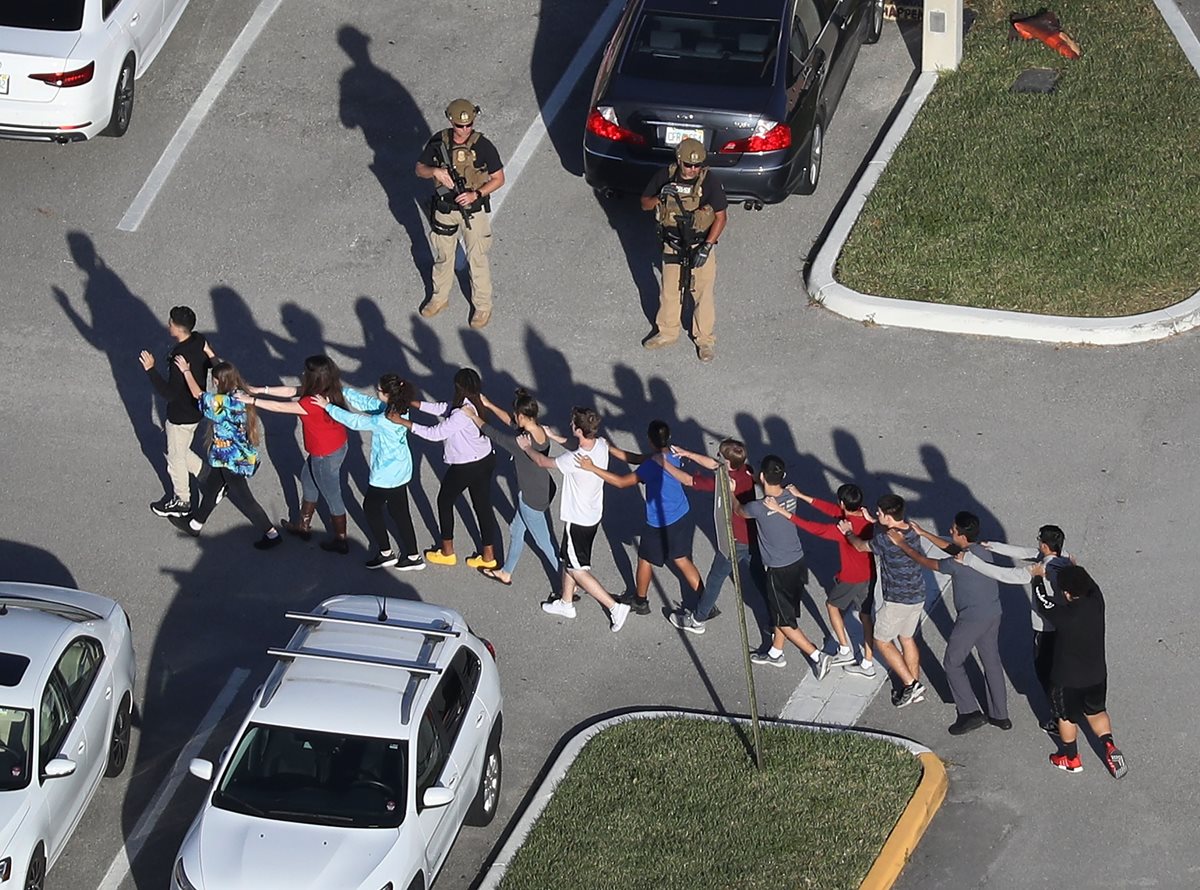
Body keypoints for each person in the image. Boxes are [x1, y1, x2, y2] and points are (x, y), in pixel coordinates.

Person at [889, 513, 1011, 734]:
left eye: (954, 530)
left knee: (952, 663)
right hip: (993, 612)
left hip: (971, 619)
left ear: (963, 536)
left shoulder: (956, 564)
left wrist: (902, 544)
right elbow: (953, 548)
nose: (950, 530)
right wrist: (924, 533)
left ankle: (969, 712)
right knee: (991, 661)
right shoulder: (981, 551)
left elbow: (925, 561)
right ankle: (1000, 715)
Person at [520, 407, 630, 632]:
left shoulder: (574, 459)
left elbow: (542, 461)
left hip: (577, 519)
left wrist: (527, 447)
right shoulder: (599, 444)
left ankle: (613, 606)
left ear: (579, 430)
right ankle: (566, 602)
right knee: (569, 561)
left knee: (578, 569)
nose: (570, 427)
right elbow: (575, 445)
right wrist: (554, 436)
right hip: (591, 515)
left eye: (572, 425)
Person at [957, 525, 1074, 736]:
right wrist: (994, 547)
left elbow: (1005, 574)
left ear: (1045, 545)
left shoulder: (1041, 571)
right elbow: (1026, 552)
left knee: (1046, 675)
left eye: (1039, 541)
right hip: (1065, 627)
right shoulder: (1064, 558)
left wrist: (971, 561)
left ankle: (1059, 719)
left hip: (1045, 631)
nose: (1037, 545)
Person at [578, 421, 701, 617]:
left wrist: (592, 468)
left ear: (650, 440)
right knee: (682, 559)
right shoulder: (673, 453)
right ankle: (705, 603)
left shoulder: (652, 465)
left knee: (645, 559)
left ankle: (640, 601)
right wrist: (609, 448)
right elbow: (636, 458)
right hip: (681, 514)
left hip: (659, 523)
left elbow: (621, 482)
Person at [763, 483, 877, 677]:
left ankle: (844, 650)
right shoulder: (865, 517)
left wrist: (780, 510)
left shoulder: (843, 528)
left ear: (842, 502)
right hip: (869, 574)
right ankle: (867, 663)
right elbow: (831, 510)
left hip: (851, 578)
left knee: (832, 606)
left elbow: (813, 528)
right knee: (866, 617)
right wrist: (801, 494)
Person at [167, 356, 282, 549]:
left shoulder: (222, 402)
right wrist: (210, 352)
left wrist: (186, 371)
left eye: (215, 379)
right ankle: (195, 524)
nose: (213, 382)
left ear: (219, 381)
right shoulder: (240, 395)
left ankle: (271, 533)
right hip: (237, 456)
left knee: (247, 500)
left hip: (229, 461)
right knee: (212, 488)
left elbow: (198, 395)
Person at [313, 374, 423, 571]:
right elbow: (369, 403)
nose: (376, 393)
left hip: (385, 475)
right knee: (401, 513)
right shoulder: (399, 409)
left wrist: (327, 407)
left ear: (388, 394)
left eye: (379, 390)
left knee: (371, 508)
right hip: (402, 469)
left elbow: (354, 421)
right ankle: (413, 555)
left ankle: (385, 552)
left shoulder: (383, 419)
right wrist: (344, 392)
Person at [735, 456, 831, 680]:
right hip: (797, 562)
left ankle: (816, 655)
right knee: (783, 612)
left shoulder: (758, 507)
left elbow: (739, 510)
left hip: (778, 569)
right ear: (783, 476)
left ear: (761, 477)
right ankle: (776, 652)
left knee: (783, 619)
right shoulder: (790, 495)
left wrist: (730, 492)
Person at [415, 98, 505, 329]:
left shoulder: (483, 146)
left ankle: (483, 306)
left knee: (477, 259)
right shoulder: (439, 141)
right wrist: (435, 170)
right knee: (444, 256)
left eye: (469, 125)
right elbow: (420, 169)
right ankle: (439, 298)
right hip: (445, 209)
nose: (465, 130)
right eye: (459, 125)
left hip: (473, 212)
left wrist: (477, 194)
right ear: (450, 121)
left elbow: (498, 178)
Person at [247, 356, 352, 554]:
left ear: (314, 377)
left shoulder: (311, 403)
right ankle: (303, 526)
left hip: (323, 454)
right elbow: (291, 391)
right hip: (335, 446)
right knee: (307, 479)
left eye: (306, 372)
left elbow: (280, 407)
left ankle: (341, 539)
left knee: (332, 495)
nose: (302, 373)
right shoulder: (327, 389)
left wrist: (251, 400)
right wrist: (260, 390)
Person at [396, 368, 497, 568]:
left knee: (444, 500)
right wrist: (414, 403)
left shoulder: (460, 413)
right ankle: (488, 556)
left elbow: (435, 433)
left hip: (466, 465)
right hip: (485, 459)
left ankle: (447, 551)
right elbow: (443, 408)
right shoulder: (472, 403)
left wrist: (404, 422)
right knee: (482, 506)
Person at [1034, 564, 1126, 778]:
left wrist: (1037, 578)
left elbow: (1043, 603)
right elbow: (1089, 582)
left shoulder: (1064, 616)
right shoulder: (1097, 601)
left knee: (1066, 717)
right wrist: (1073, 567)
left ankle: (1071, 757)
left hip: (1067, 680)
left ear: (1066, 593)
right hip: (1096, 675)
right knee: (1096, 711)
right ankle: (1108, 744)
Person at [640, 138, 728, 363]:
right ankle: (667, 332)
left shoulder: (709, 182)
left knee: (703, 292)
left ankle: (705, 339)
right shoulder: (665, 176)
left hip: (699, 244)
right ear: (679, 161)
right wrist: (661, 194)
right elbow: (644, 204)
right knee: (670, 290)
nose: (692, 169)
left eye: (697, 165)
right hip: (673, 243)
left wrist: (707, 247)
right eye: (688, 164)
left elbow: (720, 217)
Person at [659, 439, 757, 634]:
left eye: (720, 454)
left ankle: (697, 620)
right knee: (761, 577)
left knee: (715, 579)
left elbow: (688, 480)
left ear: (728, 462)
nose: (717, 456)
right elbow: (715, 464)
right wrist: (687, 453)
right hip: (752, 534)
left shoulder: (724, 482)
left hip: (734, 539)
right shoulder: (744, 469)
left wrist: (663, 463)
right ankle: (777, 621)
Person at [467, 389, 561, 586]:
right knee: (516, 529)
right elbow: (510, 421)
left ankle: (567, 583)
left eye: (516, 415)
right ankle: (506, 572)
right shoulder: (540, 431)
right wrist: (490, 405)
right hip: (543, 489)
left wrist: (473, 416)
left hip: (531, 498)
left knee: (545, 543)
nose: (514, 419)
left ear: (523, 416)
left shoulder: (521, 443)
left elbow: (494, 434)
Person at [841, 495, 927, 707]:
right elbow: (886, 532)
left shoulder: (885, 540)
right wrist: (874, 521)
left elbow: (861, 546)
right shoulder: (912, 529)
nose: (876, 515)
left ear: (889, 517)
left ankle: (910, 684)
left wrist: (848, 531)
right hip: (917, 594)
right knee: (907, 638)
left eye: (879, 513)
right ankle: (914, 685)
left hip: (897, 599)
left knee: (882, 640)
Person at [139, 305, 214, 517]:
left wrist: (151, 369)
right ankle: (210, 478)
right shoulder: (199, 340)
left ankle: (182, 501)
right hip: (195, 410)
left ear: (179, 329)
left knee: (175, 458)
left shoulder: (179, 356)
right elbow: (209, 361)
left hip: (180, 415)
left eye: (170, 323)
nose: (168, 325)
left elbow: (169, 393)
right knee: (180, 449)